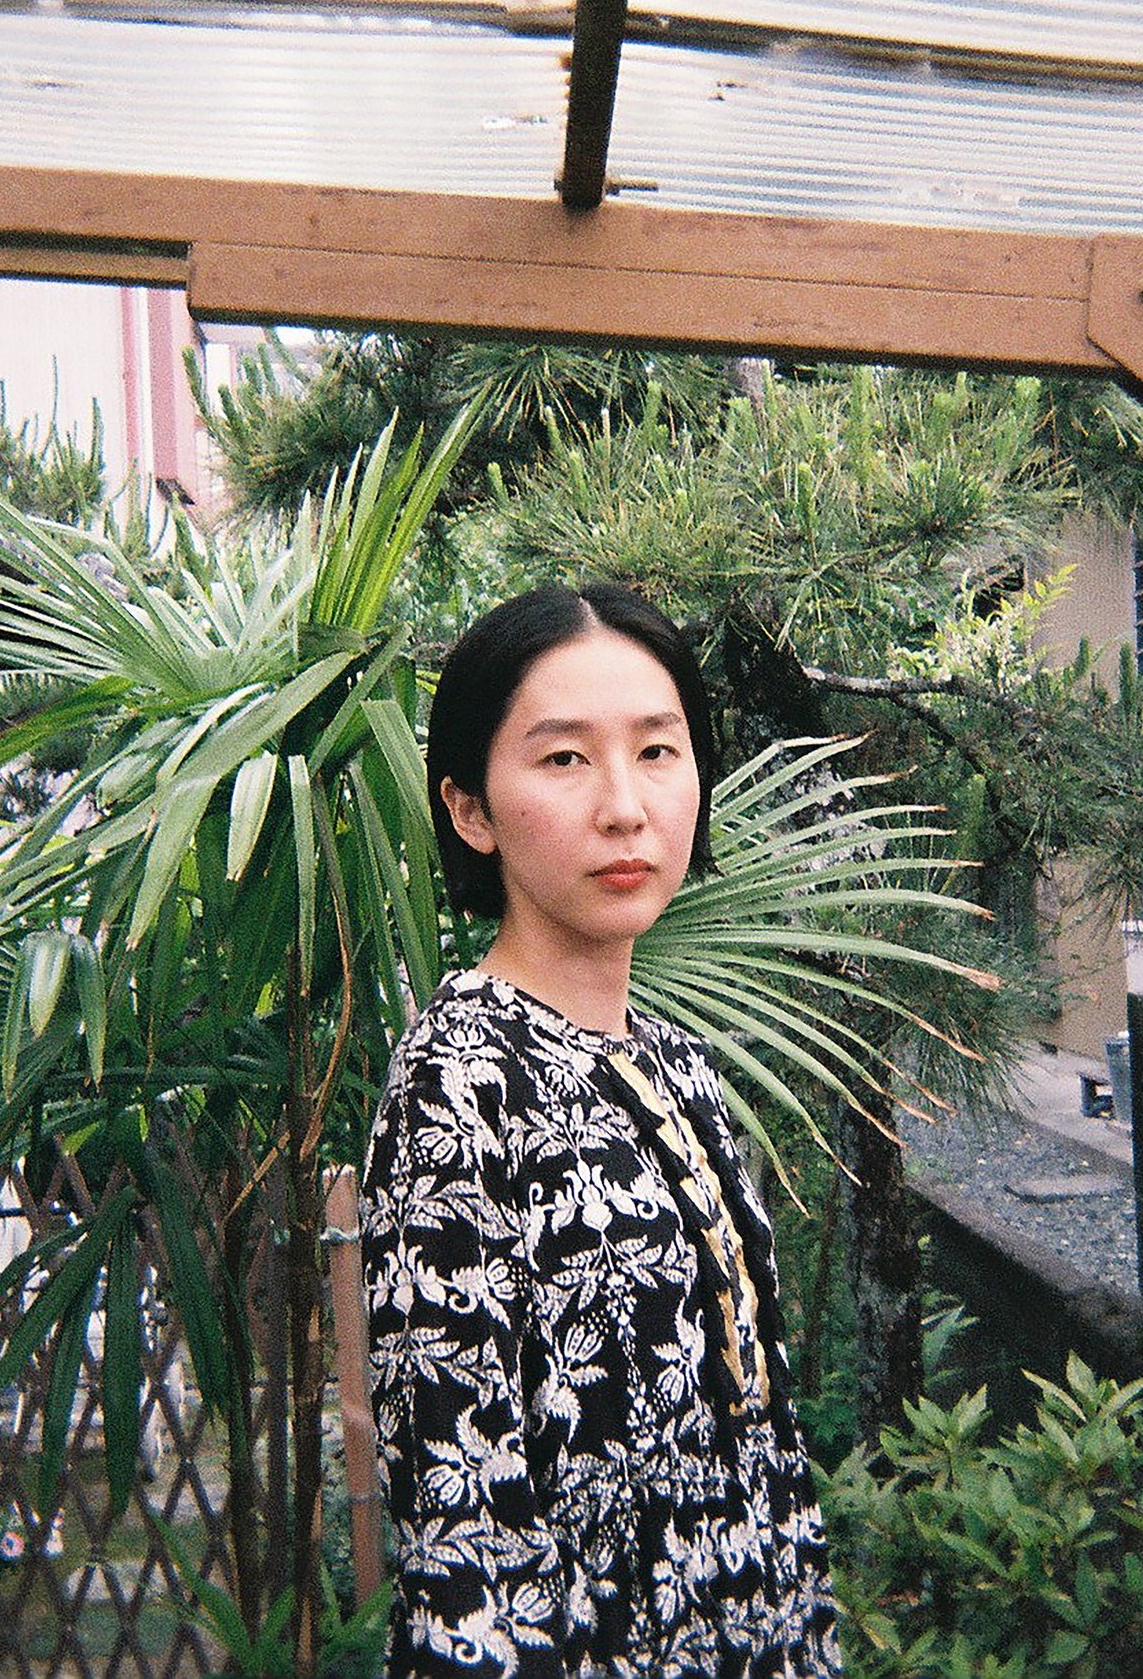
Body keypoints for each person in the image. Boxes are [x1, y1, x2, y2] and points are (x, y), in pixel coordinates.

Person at [359, 583, 840, 1678]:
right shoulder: (459, 1082)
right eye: (565, 758)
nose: (625, 805)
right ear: (471, 810)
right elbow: (465, 1528)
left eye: (658, 751)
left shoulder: (676, 1061)